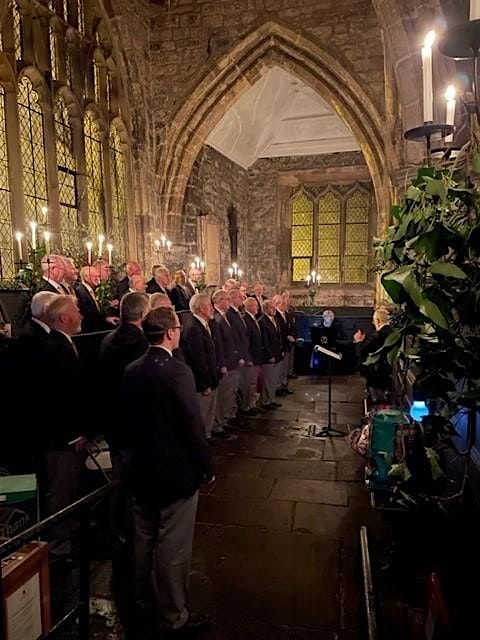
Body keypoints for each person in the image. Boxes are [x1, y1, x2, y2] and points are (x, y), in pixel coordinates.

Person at [121, 307, 214, 639]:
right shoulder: (177, 371)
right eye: (178, 328)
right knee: (173, 547)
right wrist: (206, 467)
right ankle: (174, 615)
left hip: (139, 470)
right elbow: (192, 425)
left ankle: (142, 601)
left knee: (142, 540)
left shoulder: (132, 369)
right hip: (173, 473)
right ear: (171, 333)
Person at [353, 307, 393, 403]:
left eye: (374, 321)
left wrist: (358, 341)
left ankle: (373, 395)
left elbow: (362, 352)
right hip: (390, 368)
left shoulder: (377, 336)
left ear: (378, 321)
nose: (373, 323)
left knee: (361, 362)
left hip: (378, 369)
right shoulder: (393, 333)